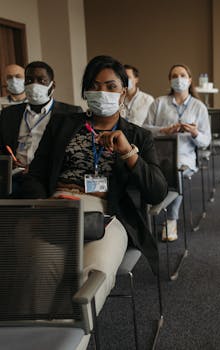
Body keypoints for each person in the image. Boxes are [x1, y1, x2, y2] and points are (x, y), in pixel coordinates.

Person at [16, 55, 168, 314]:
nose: (102, 92)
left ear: (123, 92)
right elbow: (35, 175)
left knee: (90, 282)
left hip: (106, 215)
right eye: (95, 86)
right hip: (57, 209)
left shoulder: (137, 136)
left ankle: (71, 337)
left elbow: (156, 192)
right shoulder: (64, 125)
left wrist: (129, 154)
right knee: (40, 272)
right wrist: (45, 204)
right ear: (85, 92)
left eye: (111, 86)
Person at [143, 63, 211, 241]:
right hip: (158, 156)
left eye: (182, 75)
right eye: (174, 75)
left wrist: (195, 133)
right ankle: (143, 220)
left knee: (176, 175)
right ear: (169, 80)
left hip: (184, 158)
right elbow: (144, 129)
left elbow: (206, 141)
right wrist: (164, 130)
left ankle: (171, 220)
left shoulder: (199, 107)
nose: (178, 79)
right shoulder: (159, 103)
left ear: (189, 80)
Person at [0, 61, 82, 191]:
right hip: (14, 175)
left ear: (52, 85)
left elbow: (73, 154)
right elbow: (2, 149)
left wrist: (36, 168)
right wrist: (8, 164)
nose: (34, 84)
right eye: (29, 80)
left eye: (41, 80)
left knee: (31, 191)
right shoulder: (8, 113)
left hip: (45, 176)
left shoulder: (70, 114)